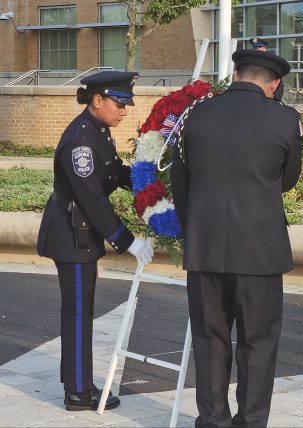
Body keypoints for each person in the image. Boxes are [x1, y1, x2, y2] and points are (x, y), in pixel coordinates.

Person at [170, 50, 302, 427]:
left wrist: (194, 229)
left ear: (236, 73)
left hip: (205, 248)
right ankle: (251, 421)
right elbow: (287, 179)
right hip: (260, 252)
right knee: (258, 342)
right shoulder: (285, 119)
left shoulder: (197, 114)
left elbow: (181, 182)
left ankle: (212, 421)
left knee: (209, 340)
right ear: (274, 84)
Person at [37, 71, 154, 411]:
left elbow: (114, 173)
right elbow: (92, 199)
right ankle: (77, 392)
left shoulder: (98, 131)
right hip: (72, 234)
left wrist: (149, 183)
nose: (124, 111)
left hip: (80, 231)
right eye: (119, 103)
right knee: (77, 313)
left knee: (81, 311)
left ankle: (79, 381)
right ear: (97, 100)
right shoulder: (81, 141)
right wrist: (127, 241)